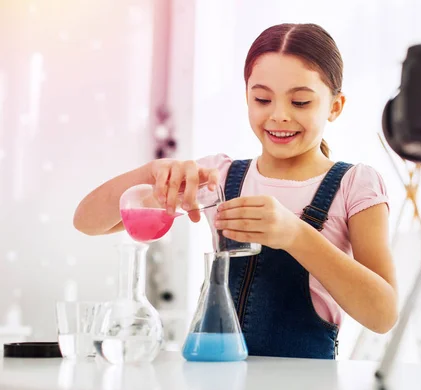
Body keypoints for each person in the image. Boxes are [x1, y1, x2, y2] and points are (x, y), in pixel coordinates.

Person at [73, 23, 398, 360]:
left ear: (335, 106)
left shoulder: (355, 184)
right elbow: (88, 221)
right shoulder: (219, 178)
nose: (279, 115)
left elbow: (383, 315)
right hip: (214, 377)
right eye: (262, 99)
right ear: (247, 98)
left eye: (300, 102)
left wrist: (295, 235)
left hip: (307, 385)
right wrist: (152, 172)